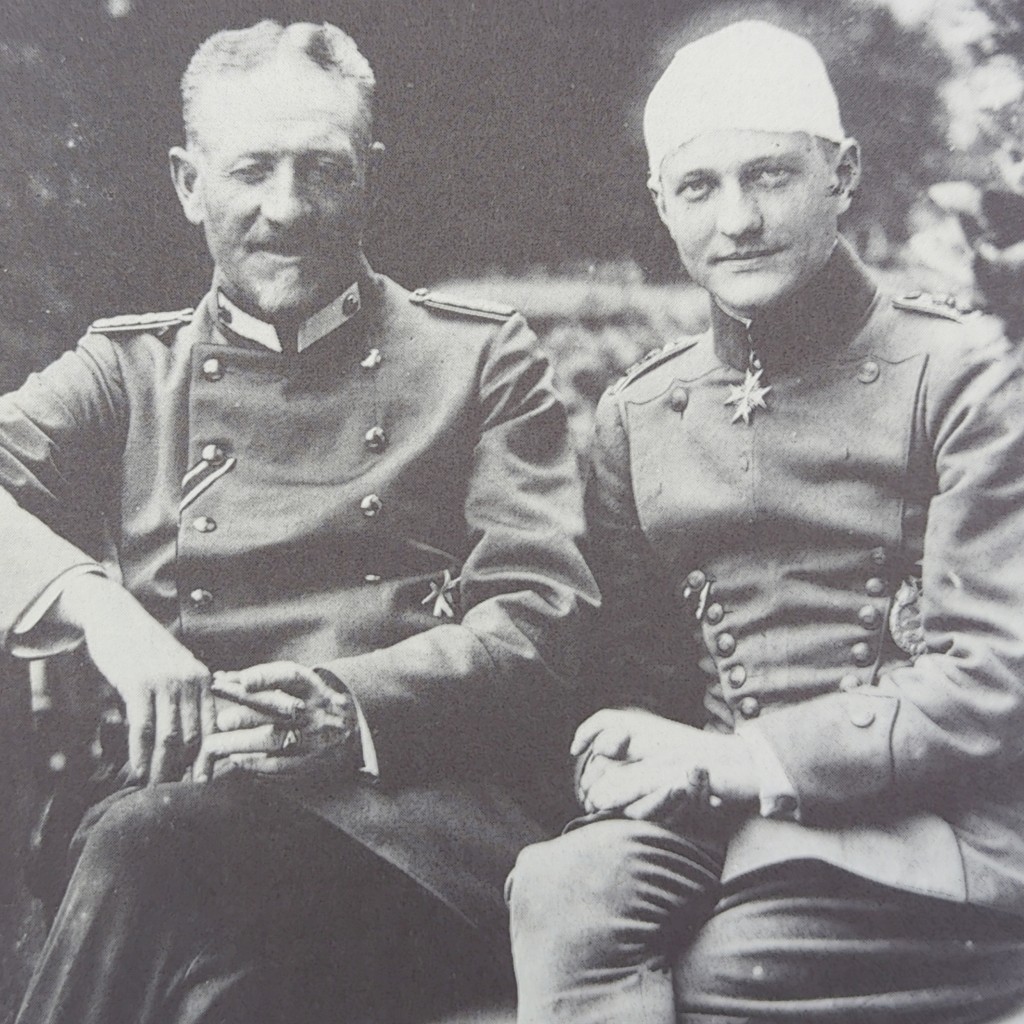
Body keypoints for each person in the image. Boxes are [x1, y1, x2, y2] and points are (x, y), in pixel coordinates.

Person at [1, 20, 598, 1024]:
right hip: (191, 831)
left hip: (412, 834)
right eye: (252, 170)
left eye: (323, 170)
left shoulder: (478, 360)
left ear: (371, 177)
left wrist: (346, 703)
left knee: (142, 844)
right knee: (219, 993)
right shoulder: (130, 373)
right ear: (189, 184)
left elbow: (541, 620)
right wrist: (97, 608)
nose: (287, 208)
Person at [508, 20, 1024, 1024]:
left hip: (933, 825)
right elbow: (637, 675)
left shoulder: (967, 375)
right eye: (698, 188)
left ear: (842, 174)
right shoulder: (640, 414)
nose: (737, 219)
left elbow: (990, 679)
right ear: (662, 204)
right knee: (564, 891)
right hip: (723, 814)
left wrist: (742, 762)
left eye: (770, 177)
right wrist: (619, 745)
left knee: (734, 963)